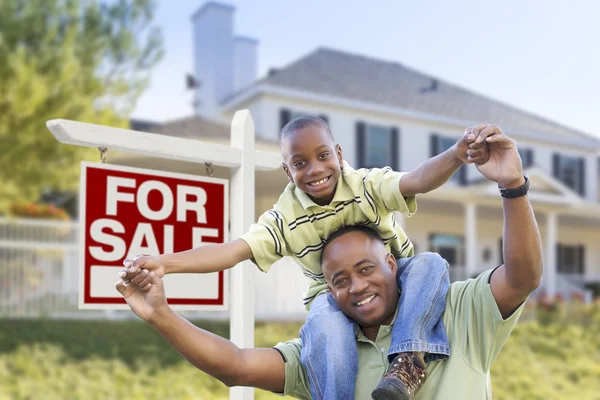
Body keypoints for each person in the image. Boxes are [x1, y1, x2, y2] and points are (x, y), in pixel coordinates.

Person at [117, 123, 542, 399]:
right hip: (325, 311)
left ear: (339, 153)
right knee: (323, 319)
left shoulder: (457, 312)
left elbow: (418, 181)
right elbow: (235, 358)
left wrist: (484, 170)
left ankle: (408, 359)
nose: (356, 286)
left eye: (366, 270)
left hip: (415, 280)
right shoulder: (325, 342)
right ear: (287, 171)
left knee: (431, 262)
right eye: (341, 278)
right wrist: (163, 285)